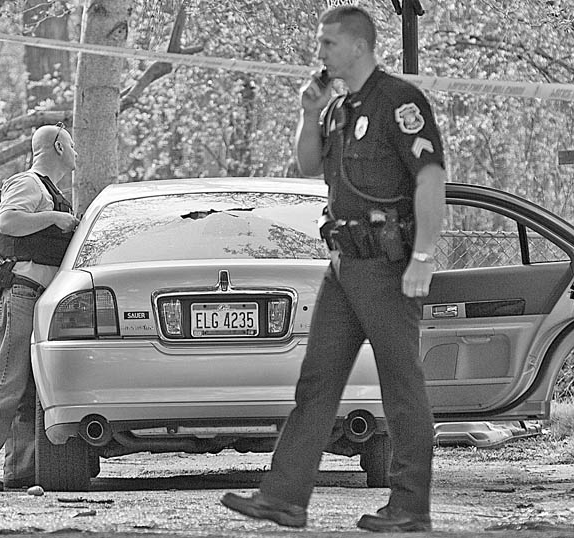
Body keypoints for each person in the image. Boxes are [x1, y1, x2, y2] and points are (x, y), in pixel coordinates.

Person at [221, 5, 446, 533]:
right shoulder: (338, 105)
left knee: (401, 386)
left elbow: (430, 178)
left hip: (389, 264)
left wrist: (424, 255)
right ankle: (284, 498)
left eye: (327, 44)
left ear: (358, 47)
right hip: (343, 265)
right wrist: (306, 112)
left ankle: (410, 508)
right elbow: (306, 165)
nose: (319, 54)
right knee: (317, 381)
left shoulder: (399, 101)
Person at [0, 122, 80, 491]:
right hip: (16, 294)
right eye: (71, 145)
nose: (75, 154)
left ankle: (21, 472)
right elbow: (7, 221)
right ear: (57, 146)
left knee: (27, 388)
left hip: (34, 299)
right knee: (6, 380)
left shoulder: (50, 191)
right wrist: (56, 219)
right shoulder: (29, 183)